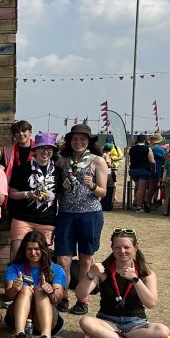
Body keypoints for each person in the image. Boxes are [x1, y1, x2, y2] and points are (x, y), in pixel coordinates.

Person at [78, 228, 170, 338]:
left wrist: (135, 279)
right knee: (86, 322)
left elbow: (151, 303)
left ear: (135, 248)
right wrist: (90, 274)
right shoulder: (103, 269)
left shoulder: (146, 273)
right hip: (107, 321)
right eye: (117, 247)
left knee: (162, 331)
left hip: (136, 324)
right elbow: (80, 295)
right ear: (112, 248)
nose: (122, 251)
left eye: (126, 247)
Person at [55, 124, 108, 316]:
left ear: (89, 141)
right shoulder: (62, 162)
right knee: (63, 259)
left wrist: (93, 186)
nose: (78, 142)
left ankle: (82, 299)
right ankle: (63, 297)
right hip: (66, 214)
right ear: (69, 141)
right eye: (75, 139)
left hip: (90, 214)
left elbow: (103, 191)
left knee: (86, 258)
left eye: (83, 139)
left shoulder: (97, 161)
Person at [3, 231, 67, 338]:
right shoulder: (14, 268)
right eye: (29, 249)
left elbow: (57, 299)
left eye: (37, 249)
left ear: (44, 249)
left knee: (40, 292)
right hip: (18, 317)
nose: (33, 253)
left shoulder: (57, 269)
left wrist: (51, 291)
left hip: (44, 318)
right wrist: (15, 289)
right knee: (26, 289)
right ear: (24, 250)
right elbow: (8, 296)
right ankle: (19, 335)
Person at [6, 132, 58, 256]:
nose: (46, 151)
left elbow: (60, 195)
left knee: (41, 258)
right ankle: (18, 276)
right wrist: (28, 194)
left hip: (46, 220)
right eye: (42, 148)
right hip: (22, 218)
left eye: (49, 148)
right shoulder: (22, 168)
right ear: (35, 149)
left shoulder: (58, 171)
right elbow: (12, 193)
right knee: (17, 255)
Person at [128, 134, 155, 212]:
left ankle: (135, 202)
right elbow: (152, 161)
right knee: (141, 189)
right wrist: (154, 167)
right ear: (145, 140)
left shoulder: (132, 149)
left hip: (133, 170)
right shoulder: (147, 149)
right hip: (143, 170)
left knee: (137, 186)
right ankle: (138, 206)